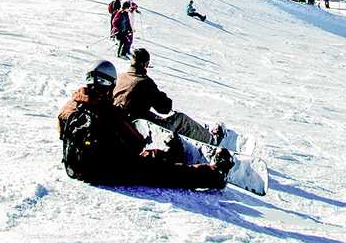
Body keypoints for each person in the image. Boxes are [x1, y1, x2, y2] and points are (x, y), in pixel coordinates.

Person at [58, 59, 231, 190]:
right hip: (107, 169)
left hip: (79, 166)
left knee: (156, 160)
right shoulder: (106, 111)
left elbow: (62, 127)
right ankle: (215, 174)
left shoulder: (75, 103)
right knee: (166, 172)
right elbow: (136, 144)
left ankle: (174, 155)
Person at [113, 48, 225, 147]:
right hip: (140, 130)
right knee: (181, 119)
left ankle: (199, 133)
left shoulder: (121, 77)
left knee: (153, 116)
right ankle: (211, 140)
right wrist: (161, 96)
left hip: (124, 123)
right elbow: (164, 108)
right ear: (145, 64)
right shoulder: (145, 82)